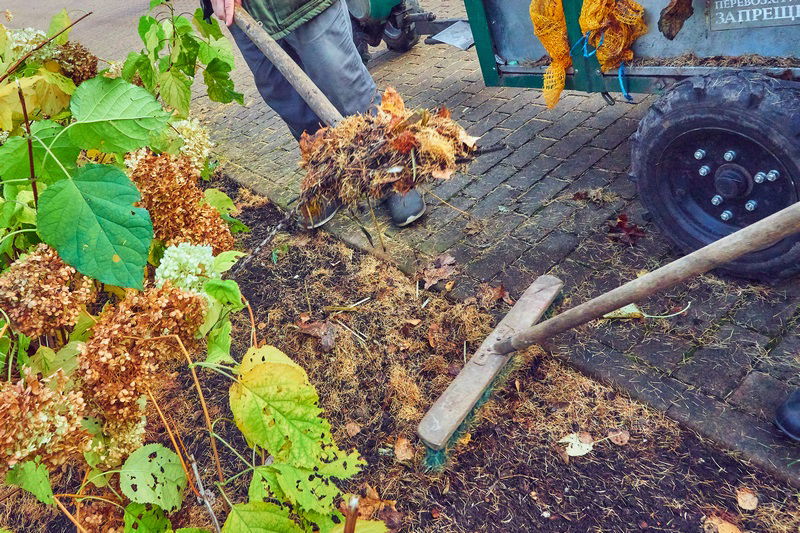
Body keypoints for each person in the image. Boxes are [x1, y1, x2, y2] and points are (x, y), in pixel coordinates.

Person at [204, 0, 426, 228]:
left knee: (344, 85)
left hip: (306, 5)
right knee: (284, 96)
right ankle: (329, 177)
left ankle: (393, 172)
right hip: (245, 13)